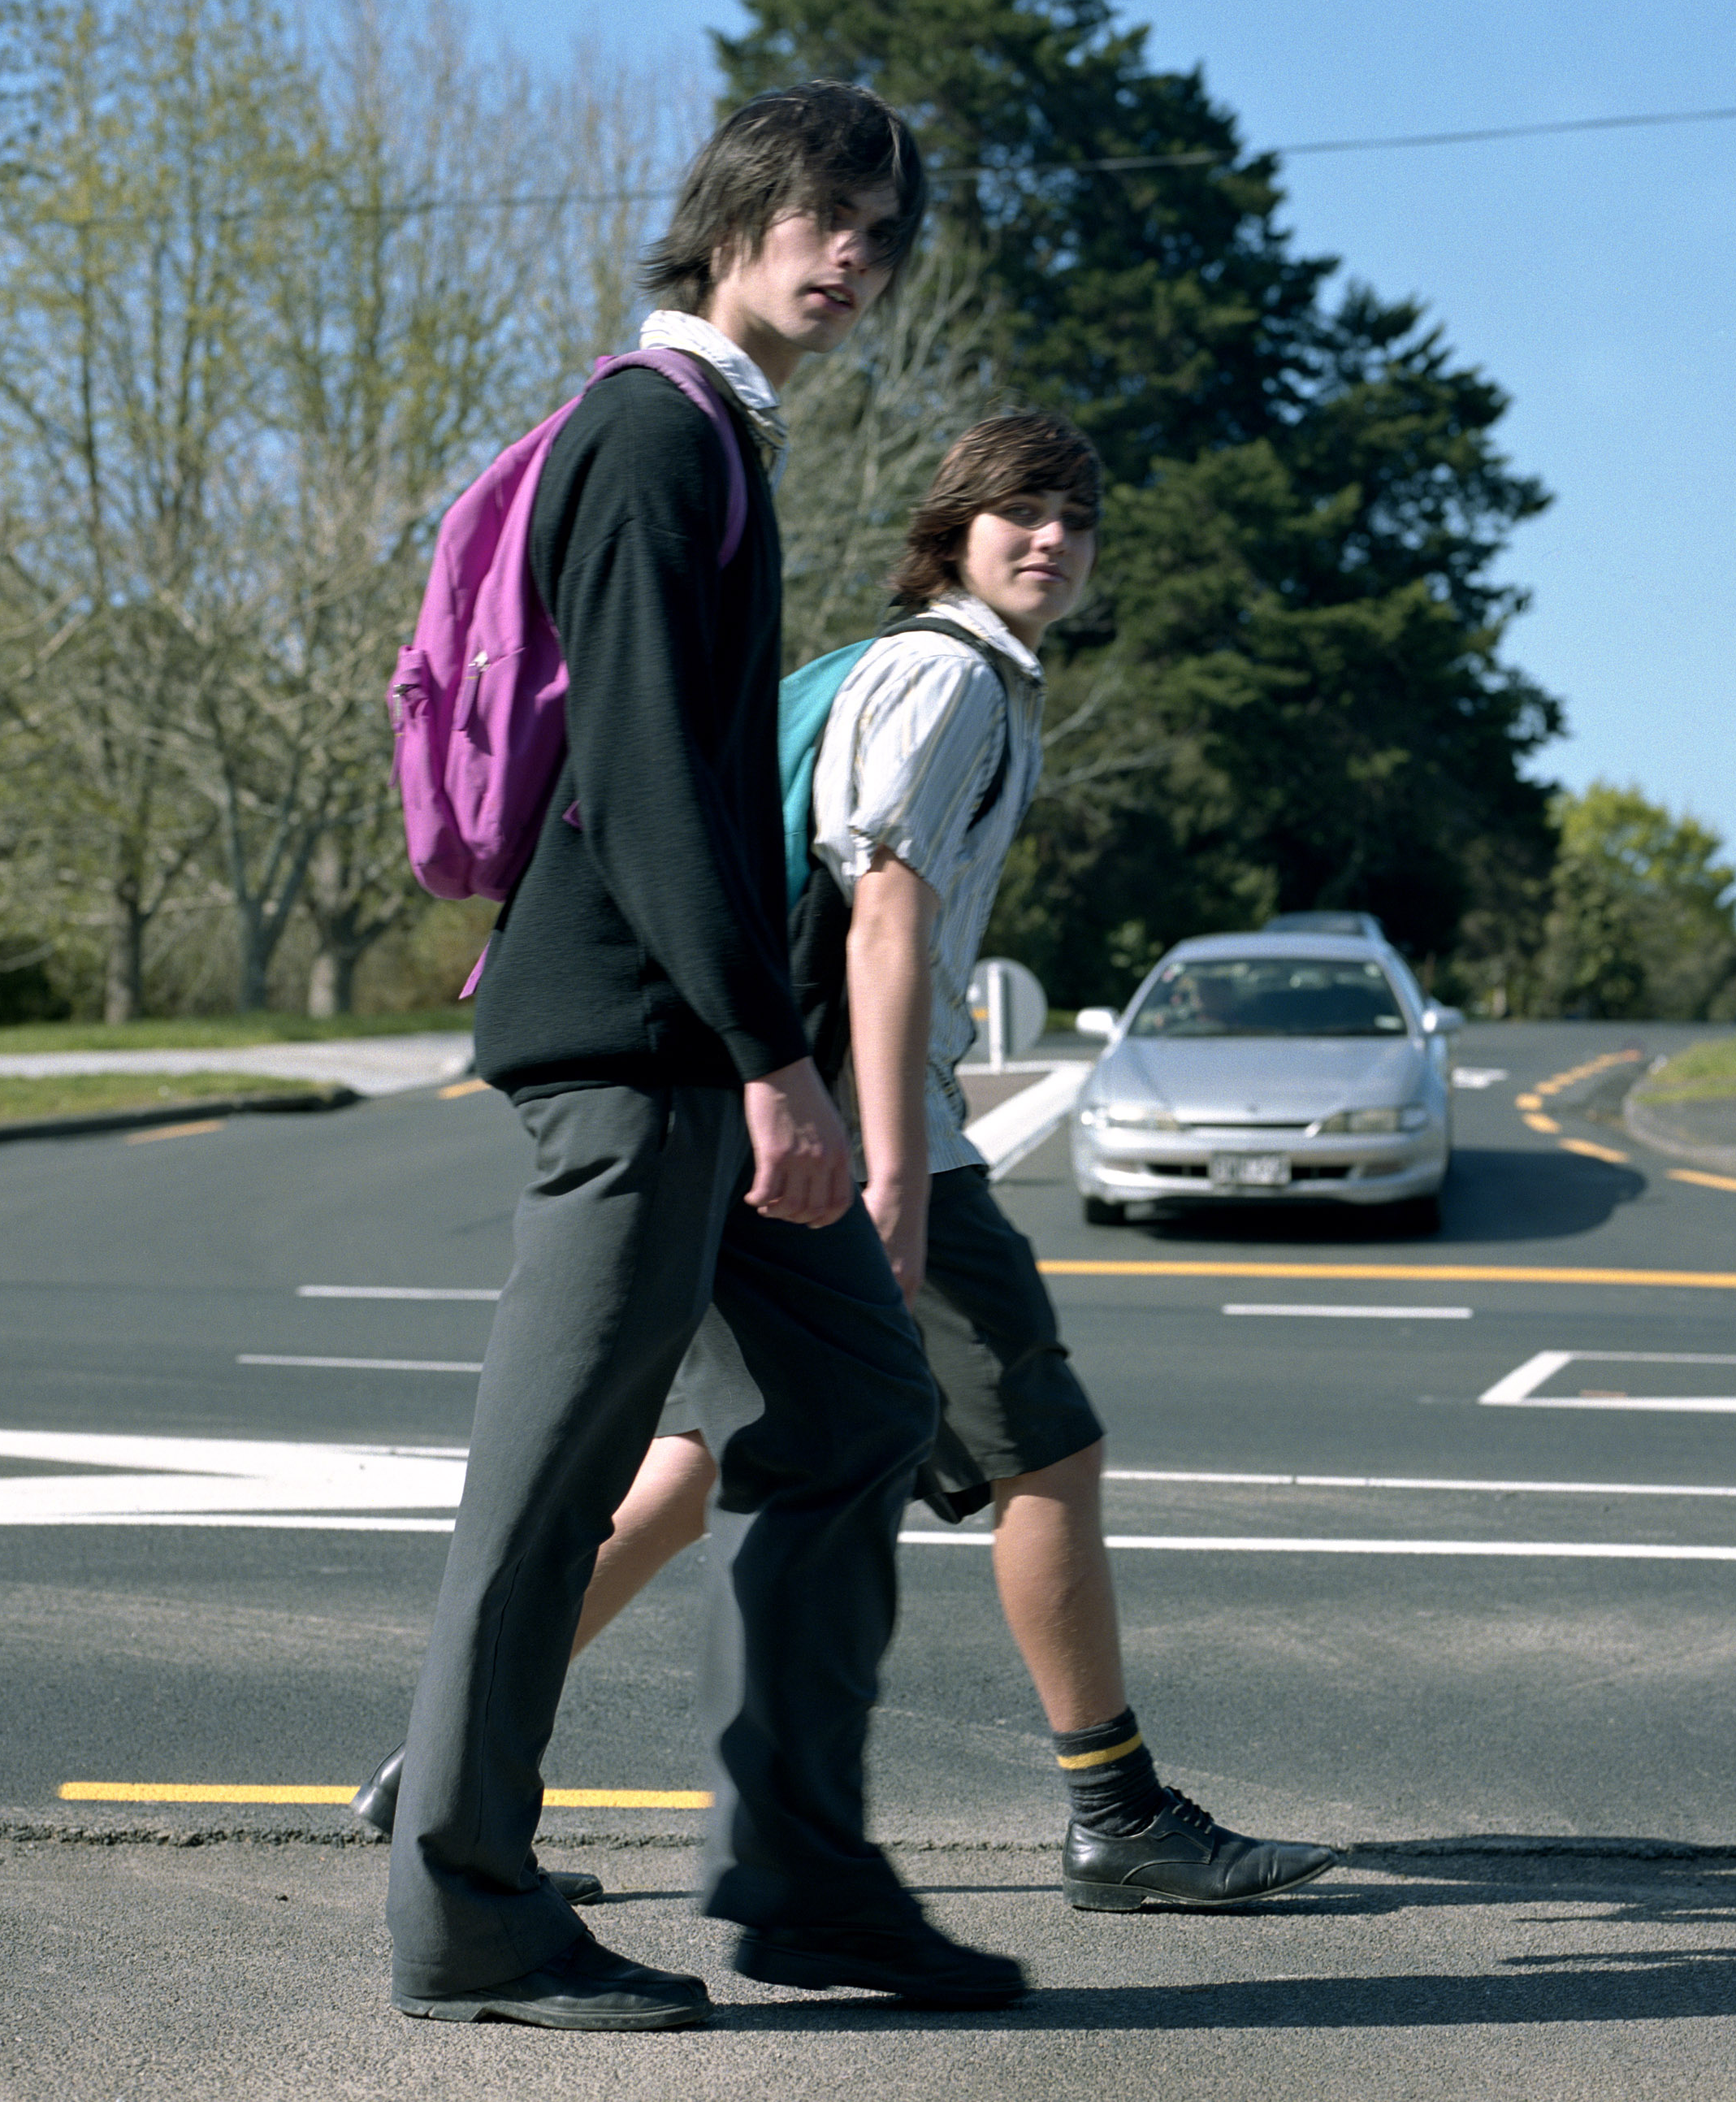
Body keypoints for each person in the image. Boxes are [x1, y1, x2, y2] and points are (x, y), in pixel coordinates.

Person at [370, 413, 1340, 1914]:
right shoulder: (948, 678)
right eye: (1018, 513)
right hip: (849, 1129)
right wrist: (894, 1166)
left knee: (700, 1462)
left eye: (1076, 518)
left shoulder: (936, 678)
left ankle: (436, 1763)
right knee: (1045, 1453)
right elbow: (884, 915)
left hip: (766, 1111)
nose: (1052, 540)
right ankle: (1119, 1816)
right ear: (952, 531)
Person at [384, 81, 1025, 2038]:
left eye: (885, 238)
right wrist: (773, 1055)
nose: (856, 259)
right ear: (739, 212)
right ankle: (469, 1913)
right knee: (547, 1486)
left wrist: (761, 1045)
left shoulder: (713, 440)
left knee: (852, 1404)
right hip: (633, 1048)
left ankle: (798, 1874)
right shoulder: (654, 438)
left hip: (690, 1034)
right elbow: (655, 783)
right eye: (830, 217)